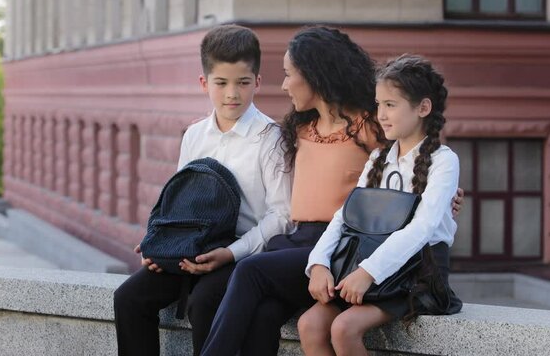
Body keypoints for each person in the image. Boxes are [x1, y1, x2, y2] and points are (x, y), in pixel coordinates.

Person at [200, 27, 464, 356]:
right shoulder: (298, 128)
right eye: (381, 104)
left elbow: (419, 180)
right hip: (311, 243)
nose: (282, 84)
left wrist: (445, 199)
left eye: (288, 74)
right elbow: (341, 205)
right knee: (257, 308)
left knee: (251, 272)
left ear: (315, 74)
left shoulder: (372, 128)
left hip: (364, 250)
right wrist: (318, 263)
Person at [113, 24, 292, 356]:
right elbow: (181, 203)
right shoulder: (194, 135)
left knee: (203, 303)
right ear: (204, 83)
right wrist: (161, 243)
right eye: (221, 83)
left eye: (242, 83)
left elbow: (282, 216)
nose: (231, 95)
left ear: (257, 82)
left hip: (242, 254)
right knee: (129, 299)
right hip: (194, 247)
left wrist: (232, 252)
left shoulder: (271, 139)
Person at [299, 54, 463, 356]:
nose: (381, 114)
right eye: (379, 104)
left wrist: (368, 273)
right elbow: (345, 216)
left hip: (418, 271)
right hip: (366, 260)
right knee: (310, 325)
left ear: (423, 108)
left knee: (344, 328)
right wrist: (319, 263)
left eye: (391, 104)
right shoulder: (378, 159)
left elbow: (422, 229)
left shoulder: (444, 161)